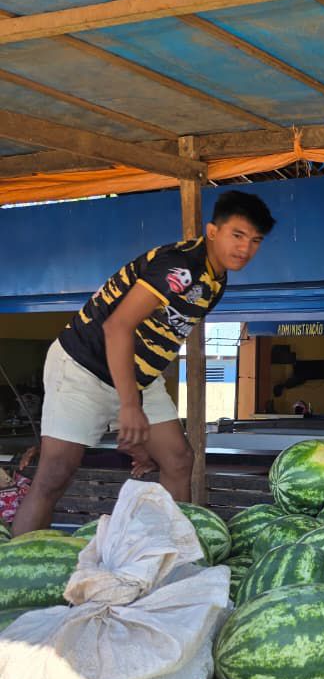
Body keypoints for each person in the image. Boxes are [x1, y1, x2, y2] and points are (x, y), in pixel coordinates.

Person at [11, 191, 275, 535]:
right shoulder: (180, 267)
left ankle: (169, 553)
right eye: (237, 235)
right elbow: (117, 327)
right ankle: (17, 562)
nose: (245, 248)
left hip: (138, 376)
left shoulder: (216, 280)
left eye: (255, 241)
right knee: (55, 474)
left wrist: (133, 410)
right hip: (82, 366)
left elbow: (161, 337)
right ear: (212, 231)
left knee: (178, 459)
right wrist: (129, 407)